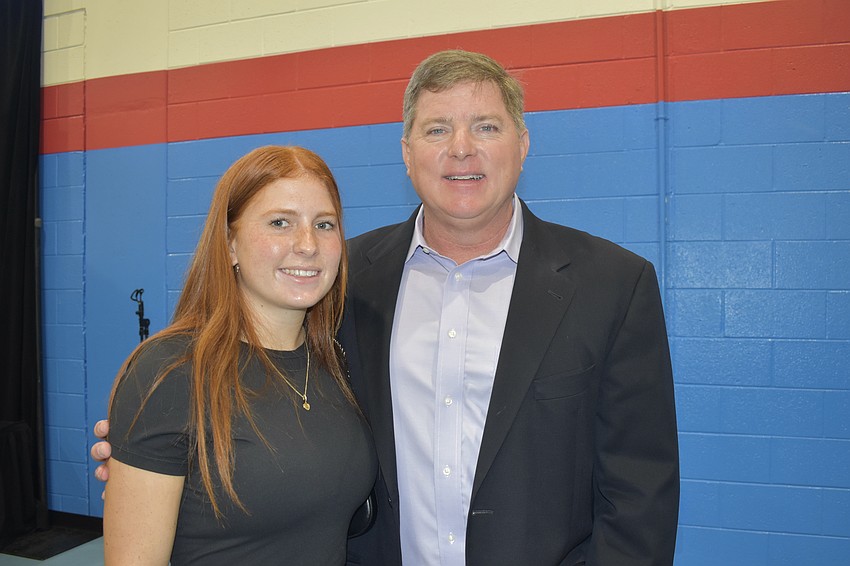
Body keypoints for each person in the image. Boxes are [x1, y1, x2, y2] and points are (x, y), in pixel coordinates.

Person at [94, 50, 679, 565]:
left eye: (486, 126)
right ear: (406, 152)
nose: (461, 149)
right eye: (436, 129)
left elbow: (640, 495)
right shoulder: (343, 281)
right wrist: (154, 451)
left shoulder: (612, 285)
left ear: (522, 144)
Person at [101, 145, 377, 565]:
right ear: (230, 244)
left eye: (324, 224)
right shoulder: (170, 371)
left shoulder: (334, 362)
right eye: (280, 222)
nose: (307, 245)